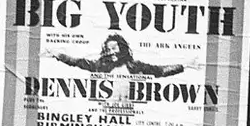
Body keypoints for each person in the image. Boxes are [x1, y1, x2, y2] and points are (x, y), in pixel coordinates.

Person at [51, 33, 185, 78]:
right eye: (108, 49)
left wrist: (184, 66)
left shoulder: (136, 66)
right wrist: (58, 55)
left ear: (123, 49)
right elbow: (77, 61)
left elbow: (160, 71)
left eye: (114, 48)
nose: (112, 52)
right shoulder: (99, 65)